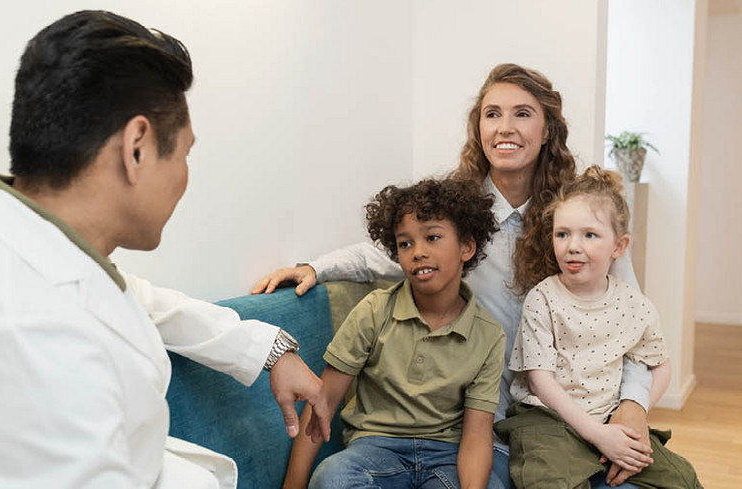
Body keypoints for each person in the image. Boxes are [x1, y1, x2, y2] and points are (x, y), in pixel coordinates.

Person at [0, 11, 329, 489]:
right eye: (185, 153)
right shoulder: (18, 336)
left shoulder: (28, 247)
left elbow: (137, 299)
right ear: (137, 147)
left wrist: (270, 349)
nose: (186, 176)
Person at [254, 64, 651, 488]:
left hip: (569, 407)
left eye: (522, 113)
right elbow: (385, 253)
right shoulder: (456, 218)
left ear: (549, 129)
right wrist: (316, 267)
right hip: (481, 419)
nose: (505, 128)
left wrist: (634, 404)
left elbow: (631, 323)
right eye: (492, 114)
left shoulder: (581, 219)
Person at [283, 178, 505, 489]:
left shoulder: (488, 334)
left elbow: (477, 434)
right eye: (405, 243)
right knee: (332, 477)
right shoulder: (374, 310)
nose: (418, 252)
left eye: (433, 237)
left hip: (448, 456)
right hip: (374, 449)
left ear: (467, 246)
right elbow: (324, 401)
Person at [495, 166, 702, 488]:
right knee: (549, 480)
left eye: (589, 235)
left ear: (619, 247)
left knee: (682, 478)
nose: (572, 246)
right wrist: (597, 435)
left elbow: (660, 366)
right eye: (562, 234)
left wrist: (633, 415)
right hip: (546, 417)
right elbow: (540, 381)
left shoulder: (636, 305)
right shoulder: (543, 299)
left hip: (609, 416)